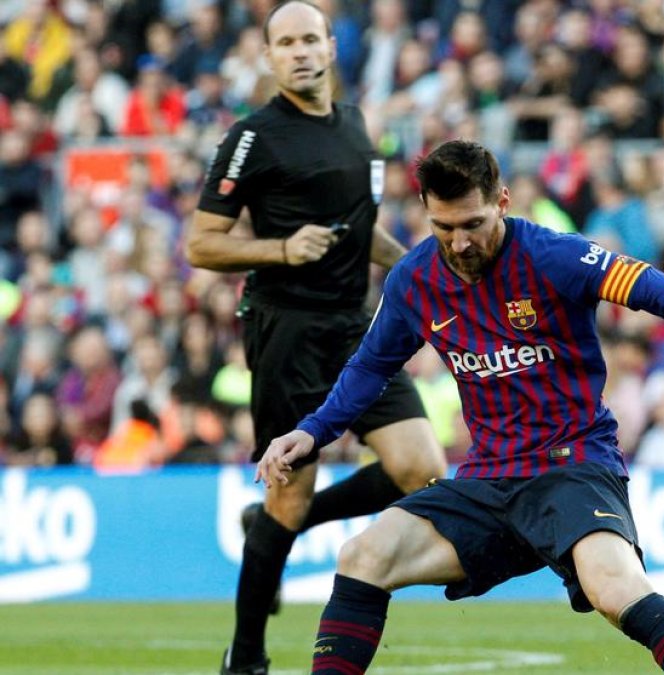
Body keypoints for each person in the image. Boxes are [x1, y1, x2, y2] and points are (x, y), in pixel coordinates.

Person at [256, 139, 664, 675]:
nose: (459, 244)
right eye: (443, 227)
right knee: (363, 556)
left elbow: (660, 291)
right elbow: (369, 367)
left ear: (502, 201)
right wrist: (312, 432)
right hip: (488, 480)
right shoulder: (413, 280)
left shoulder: (555, 255)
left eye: (473, 224)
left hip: (572, 467)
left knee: (616, 590)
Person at [184, 3, 445, 673]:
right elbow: (201, 243)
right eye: (285, 43)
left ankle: (269, 523)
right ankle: (245, 656)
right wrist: (280, 248)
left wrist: (419, 268)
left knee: (421, 468)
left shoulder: (355, 123)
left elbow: (361, 230)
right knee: (290, 492)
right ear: (269, 57)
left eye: (309, 39)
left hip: (355, 326)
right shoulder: (252, 137)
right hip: (287, 330)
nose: (299, 52)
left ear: (331, 47)